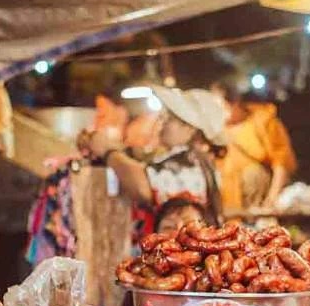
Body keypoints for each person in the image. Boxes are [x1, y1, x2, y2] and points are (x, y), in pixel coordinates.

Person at [77, 87, 228, 233]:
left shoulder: (190, 161)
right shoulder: (195, 159)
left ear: (190, 129)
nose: (162, 122)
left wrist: (107, 151)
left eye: (170, 119)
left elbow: (142, 187)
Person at [210, 82, 296, 210]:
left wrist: (271, 200)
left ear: (234, 104)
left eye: (220, 108)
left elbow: (281, 161)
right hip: (225, 195)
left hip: (256, 192)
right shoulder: (212, 128)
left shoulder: (263, 121)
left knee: (253, 174)